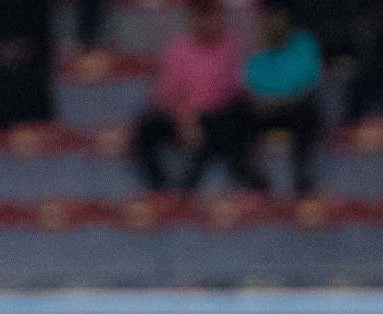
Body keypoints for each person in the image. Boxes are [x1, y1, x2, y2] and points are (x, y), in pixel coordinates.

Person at [133, 0, 266, 194]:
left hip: (219, 115)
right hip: (184, 116)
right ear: (192, 20)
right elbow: (162, 96)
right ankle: (160, 188)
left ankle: (252, 186)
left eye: (214, 16)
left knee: (234, 121)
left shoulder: (232, 47)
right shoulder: (177, 50)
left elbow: (238, 91)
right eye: (203, 17)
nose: (210, 23)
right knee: (146, 128)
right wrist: (183, 117)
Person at [246, 2, 324, 197]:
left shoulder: (305, 42)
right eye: (269, 19)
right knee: (234, 118)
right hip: (267, 111)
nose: (274, 23)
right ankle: (255, 183)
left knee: (303, 112)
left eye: (278, 17)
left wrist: (278, 98)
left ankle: (301, 178)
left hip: (296, 110)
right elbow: (252, 89)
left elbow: (309, 85)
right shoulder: (255, 48)